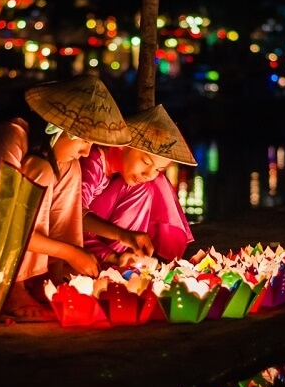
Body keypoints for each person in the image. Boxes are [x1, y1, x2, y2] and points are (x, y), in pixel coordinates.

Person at [0, 74, 132, 321]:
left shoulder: (53, 154)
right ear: (56, 128)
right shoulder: (9, 136)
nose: (85, 151)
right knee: (45, 170)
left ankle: (48, 277)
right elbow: (5, 221)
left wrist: (70, 253)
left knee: (69, 168)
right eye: (84, 140)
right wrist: (71, 253)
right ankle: (12, 286)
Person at [80, 103, 198, 268]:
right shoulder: (93, 160)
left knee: (148, 185)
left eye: (158, 169)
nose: (149, 173)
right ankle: (120, 260)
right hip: (74, 235)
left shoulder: (118, 173)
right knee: (139, 186)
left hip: (93, 236)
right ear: (123, 144)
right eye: (145, 162)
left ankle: (125, 258)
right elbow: (75, 213)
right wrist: (124, 235)